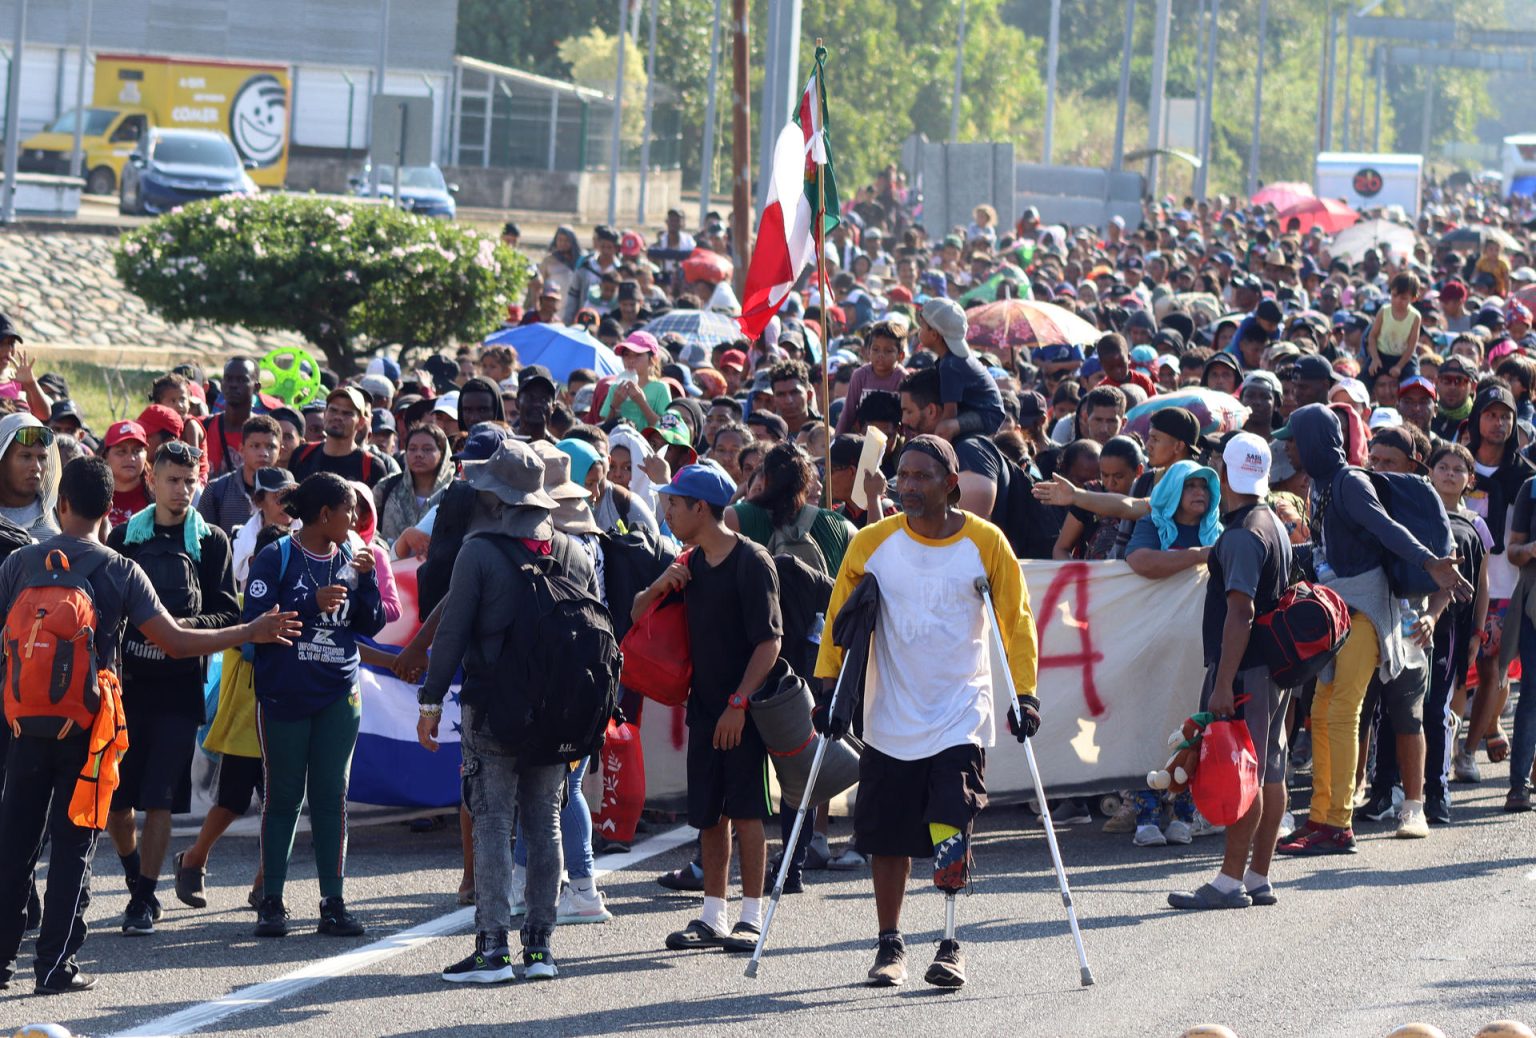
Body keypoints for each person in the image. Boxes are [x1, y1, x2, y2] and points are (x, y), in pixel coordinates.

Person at [0, 456, 298, 994]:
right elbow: (176, 642)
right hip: (89, 731)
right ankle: (54, 966)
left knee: (15, 844)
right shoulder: (119, 569)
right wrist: (248, 631)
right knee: (73, 847)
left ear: (59, 503)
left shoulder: (20, 563)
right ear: (111, 509)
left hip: (23, 726)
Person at [814, 435, 1038, 988]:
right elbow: (838, 618)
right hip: (890, 711)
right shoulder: (871, 542)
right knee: (887, 837)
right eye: (903, 476)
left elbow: (1016, 620)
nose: (908, 486)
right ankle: (890, 944)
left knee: (949, 821)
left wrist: (1025, 693)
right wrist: (827, 688)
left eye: (921, 477)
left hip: (961, 709)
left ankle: (949, 940)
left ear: (952, 485)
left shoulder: (987, 543)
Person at [415, 440, 584, 983]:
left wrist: (431, 701)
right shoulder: (574, 552)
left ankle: (492, 949)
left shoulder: (480, 552)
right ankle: (540, 950)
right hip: (557, 711)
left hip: (493, 707)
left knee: (492, 822)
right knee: (546, 823)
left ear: (497, 495)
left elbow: (453, 633)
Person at [1275, 404, 1471, 856]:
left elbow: (1386, 529)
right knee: (1322, 713)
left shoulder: (1349, 481)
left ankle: (1337, 824)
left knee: (1342, 711)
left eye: (1294, 438)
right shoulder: (1320, 484)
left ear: (1315, 442)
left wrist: (1429, 563)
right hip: (1337, 609)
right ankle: (1321, 816)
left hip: (1364, 612)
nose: (1288, 446)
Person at [633, 464, 782, 956]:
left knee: (747, 813)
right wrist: (661, 583)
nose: (667, 510)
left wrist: (738, 703)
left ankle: (750, 917)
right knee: (709, 816)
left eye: (674, 503)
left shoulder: (752, 561)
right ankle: (712, 915)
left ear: (700, 507)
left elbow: (769, 643)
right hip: (703, 709)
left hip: (746, 711)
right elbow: (637, 615)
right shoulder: (689, 561)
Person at [243, 473, 386, 938]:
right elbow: (252, 623)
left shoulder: (349, 557)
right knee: (284, 799)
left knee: (332, 800)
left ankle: (333, 903)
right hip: (285, 694)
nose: (357, 520)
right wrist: (308, 603)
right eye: (349, 511)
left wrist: (365, 583)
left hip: (339, 697)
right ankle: (272, 903)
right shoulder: (276, 556)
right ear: (325, 515)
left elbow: (372, 624)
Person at [105, 441, 239, 933]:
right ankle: (133, 872)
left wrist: (179, 629)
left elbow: (229, 610)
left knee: (159, 798)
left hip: (180, 689)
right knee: (116, 805)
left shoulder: (212, 541)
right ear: (152, 479)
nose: (182, 490)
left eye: (190, 480)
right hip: (129, 688)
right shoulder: (124, 539)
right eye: (172, 480)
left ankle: (142, 898)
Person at [1167, 433, 1294, 909]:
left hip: (1245, 671)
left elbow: (1239, 613)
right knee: (1270, 770)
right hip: (1268, 670)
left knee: (1248, 772)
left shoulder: (1243, 534)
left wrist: (1223, 683)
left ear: (1225, 474)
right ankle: (1258, 876)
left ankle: (1229, 881)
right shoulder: (1271, 522)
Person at [1458, 384, 1533, 782]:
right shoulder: (1455, 464)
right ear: (1476, 420)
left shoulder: (1526, 475)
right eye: (1491, 414)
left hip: (1506, 587)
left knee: (1492, 672)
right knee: (1454, 671)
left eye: (1506, 415)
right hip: (1457, 585)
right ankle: (1445, 748)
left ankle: (1468, 753)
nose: (1499, 422)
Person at [917, 298, 1005, 440]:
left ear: (934, 334)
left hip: (986, 413)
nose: (918, 330)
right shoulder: (948, 359)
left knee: (944, 428)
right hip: (977, 410)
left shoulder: (950, 365)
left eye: (922, 326)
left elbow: (950, 414)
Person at [373, 423, 455, 548]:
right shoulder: (386, 487)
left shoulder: (454, 492)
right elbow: (364, 524)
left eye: (427, 449)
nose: (419, 454)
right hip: (391, 563)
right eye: (412, 448)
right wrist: (382, 547)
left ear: (442, 453)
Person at [198, 415, 281, 536]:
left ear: (280, 451)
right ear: (241, 449)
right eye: (255, 446)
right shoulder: (216, 490)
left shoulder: (288, 494)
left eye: (271, 447)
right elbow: (202, 538)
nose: (263, 453)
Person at [289, 387, 384, 488]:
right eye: (333, 410)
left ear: (361, 422)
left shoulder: (371, 467)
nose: (338, 417)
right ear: (325, 414)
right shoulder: (302, 454)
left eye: (347, 413)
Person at [836, 321, 908, 435]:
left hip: (892, 437)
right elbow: (848, 412)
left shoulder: (902, 378)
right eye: (875, 349)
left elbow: (907, 417)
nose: (881, 355)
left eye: (888, 351)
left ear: (901, 355)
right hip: (863, 436)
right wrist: (837, 441)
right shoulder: (859, 376)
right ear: (868, 351)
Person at [232, 467, 297, 585]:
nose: (287, 504)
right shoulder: (239, 539)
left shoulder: (311, 532)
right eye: (279, 497)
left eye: (290, 496)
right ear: (259, 501)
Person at [0, 412, 60, 539]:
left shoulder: (63, 512)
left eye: (42, 458)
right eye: (26, 456)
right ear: (2, 460)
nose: (37, 467)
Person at [601, 332, 671, 431]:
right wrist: (614, 406)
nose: (631, 360)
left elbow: (666, 428)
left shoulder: (660, 388)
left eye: (638, 355)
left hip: (649, 445)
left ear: (652, 359)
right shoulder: (616, 388)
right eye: (626, 355)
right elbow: (606, 427)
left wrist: (641, 402)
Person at [204, 356, 259, 480]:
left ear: (256, 387)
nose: (233, 385)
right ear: (222, 384)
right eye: (228, 379)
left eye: (242, 380)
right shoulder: (203, 427)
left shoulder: (265, 432)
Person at [1365, 272, 1423, 380]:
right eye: (1394, 295)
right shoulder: (1384, 311)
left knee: (1414, 382)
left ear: (1413, 299)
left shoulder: (1415, 317)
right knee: (1364, 379)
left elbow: (1411, 346)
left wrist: (1399, 366)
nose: (1397, 301)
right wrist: (1375, 359)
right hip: (1381, 354)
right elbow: (1372, 337)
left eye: (1403, 298)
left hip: (1404, 357)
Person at [104, 419, 152, 528]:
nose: (130, 458)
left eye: (137, 451)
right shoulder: (93, 494)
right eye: (121, 451)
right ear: (106, 455)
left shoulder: (158, 497)